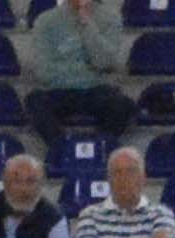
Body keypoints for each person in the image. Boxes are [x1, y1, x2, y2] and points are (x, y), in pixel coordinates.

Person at [26, 0, 132, 151]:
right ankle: (63, 150)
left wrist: (86, 24)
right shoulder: (45, 21)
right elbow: (43, 71)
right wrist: (89, 70)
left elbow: (104, 62)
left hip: (97, 89)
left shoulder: (110, 18)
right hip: (58, 90)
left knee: (123, 106)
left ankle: (99, 149)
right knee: (35, 103)